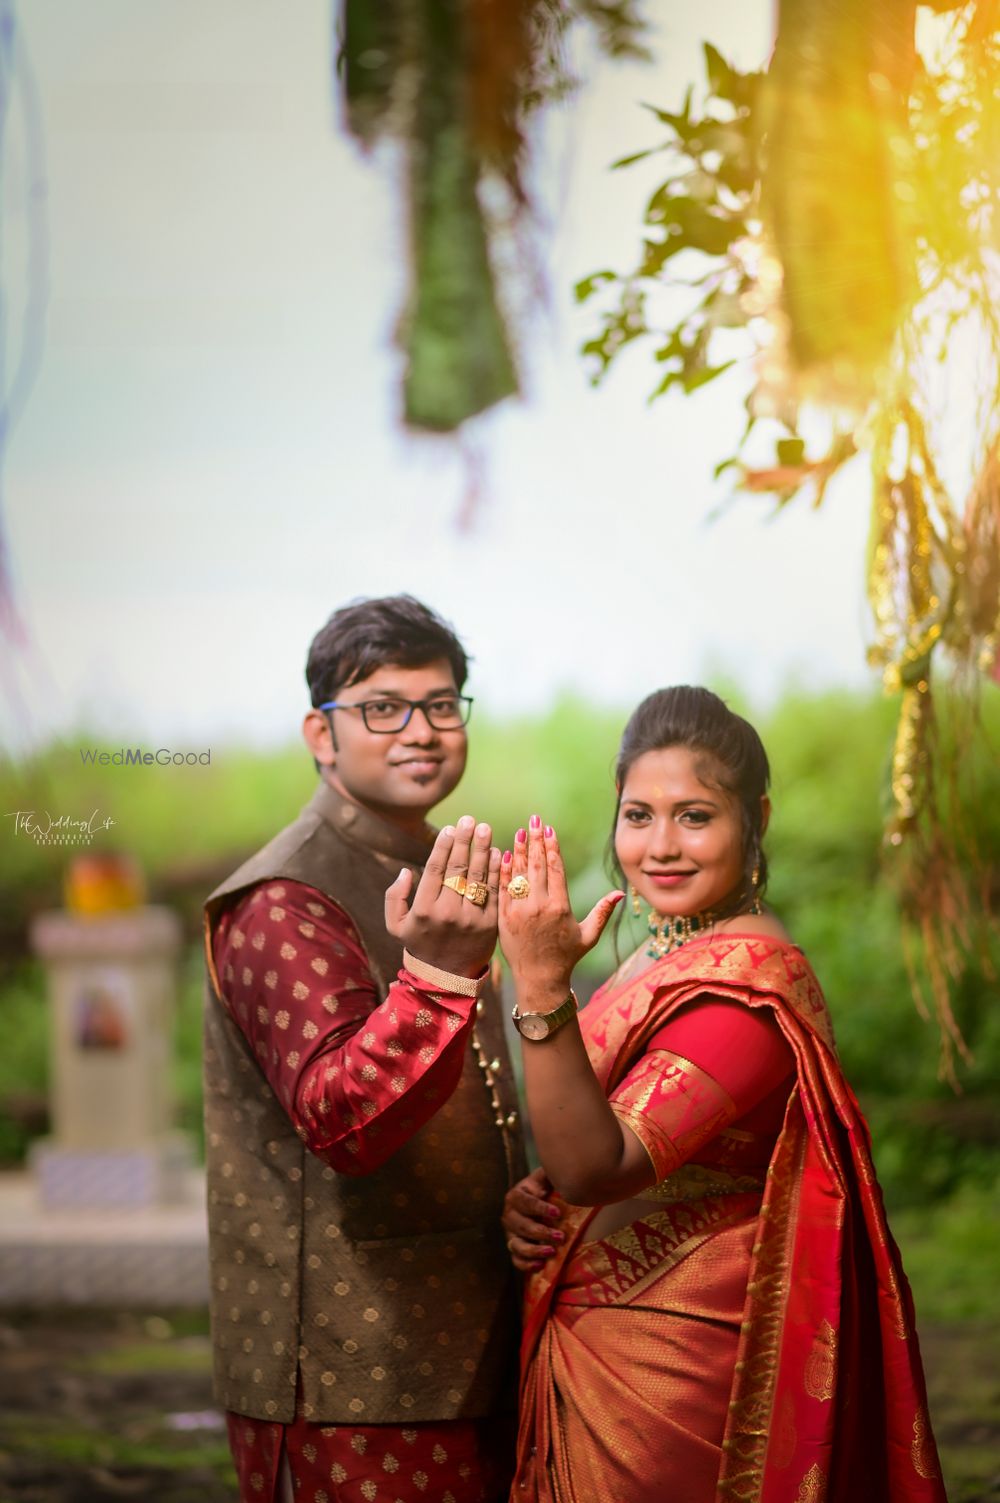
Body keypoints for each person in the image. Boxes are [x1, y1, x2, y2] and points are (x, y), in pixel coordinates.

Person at [498, 685, 946, 1503]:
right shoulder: (659, 957)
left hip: (674, 1378)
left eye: (695, 816)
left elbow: (602, 1166)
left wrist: (537, 984)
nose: (660, 846)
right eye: (639, 815)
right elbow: (586, 1146)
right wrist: (540, 1200)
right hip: (598, 1334)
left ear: (757, 820)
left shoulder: (748, 992)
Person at [203, 595, 528, 1503]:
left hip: (475, 1331)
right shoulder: (282, 899)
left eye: (442, 703)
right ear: (322, 732)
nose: (420, 731)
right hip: (352, 1368)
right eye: (382, 707)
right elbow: (342, 1120)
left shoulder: (439, 868)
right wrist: (440, 968)